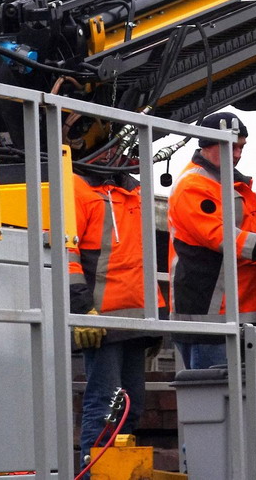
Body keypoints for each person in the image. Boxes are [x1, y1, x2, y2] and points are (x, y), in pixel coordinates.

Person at [168, 112, 256, 369]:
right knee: (215, 399)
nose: (238, 154)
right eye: (231, 145)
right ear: (208, 144)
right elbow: (219, 236)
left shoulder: (232, 184)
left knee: (236, 400)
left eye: (241, 146)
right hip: (210, 318)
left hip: (236, 314)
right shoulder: (194, 185)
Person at [68, 171, 163, 475]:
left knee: (129, 409)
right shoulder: (75, 187)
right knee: (106, 407)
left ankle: (114, 472)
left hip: (134, 317)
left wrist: (154, 318)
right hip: (101, 317)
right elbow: (65, 253)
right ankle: (96, 473)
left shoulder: (133, 191)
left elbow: (141, 257)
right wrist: (82, 309)